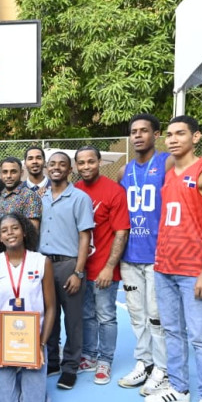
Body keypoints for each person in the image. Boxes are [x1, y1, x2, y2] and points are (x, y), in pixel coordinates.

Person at [144, 115, 202, 402]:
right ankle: (178, 387)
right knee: (172, 332)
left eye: (180, 133)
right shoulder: (168, 171)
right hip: (165, 265)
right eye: (169, 135)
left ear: (197, 137)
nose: (173, 139)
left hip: (193, 269)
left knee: (201, 337)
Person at [116, 114, 174, 395]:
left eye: (144, 131)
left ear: (156, 134)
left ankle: (162, 368)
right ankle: (145, 362)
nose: (138, 135)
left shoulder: (167, 163)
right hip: (130, 255)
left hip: (157, 255)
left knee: (156, 315)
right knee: (137, 314)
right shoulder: (124, 171)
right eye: (133, 131)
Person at [0, 213, 55, 402]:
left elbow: (51, 308)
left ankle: (27, 378)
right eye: (4, 230)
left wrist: (41, 345)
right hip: (4, 341)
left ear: (24, 231)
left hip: (33, 341)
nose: (10, 233)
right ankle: (0, 379)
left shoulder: (41, 262)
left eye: (15, 228)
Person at [74, 146, 130, 385]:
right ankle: (89, 355)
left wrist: (110, 266)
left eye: (90, 161)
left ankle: (105, 360)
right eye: (81, 163)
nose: (86, 166)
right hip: (81, 268)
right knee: (86, 314)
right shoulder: (74, 191)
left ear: (99, 162)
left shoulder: (114, 192)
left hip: (104, 267)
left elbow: (121, 232)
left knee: (105, 316)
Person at [39, 151, 93, 389]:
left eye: (62, 164)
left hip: (68, 264)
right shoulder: (39, 197)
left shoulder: (80, 198)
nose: (56, 167)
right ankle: (51, 361)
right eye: (52, 164)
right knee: (48, 315)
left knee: (73, 320)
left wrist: (78, 272)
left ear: (70, 170)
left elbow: (85, 236)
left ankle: (70, 367)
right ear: (46, 169)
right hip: (43, 265)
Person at [0, 157, 42, 230]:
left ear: (21, 173)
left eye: (13, 172)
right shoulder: (2, 195)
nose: (8, 176)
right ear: (0, 174)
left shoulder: (29, 196)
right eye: (5, 172)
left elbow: (33, 231)